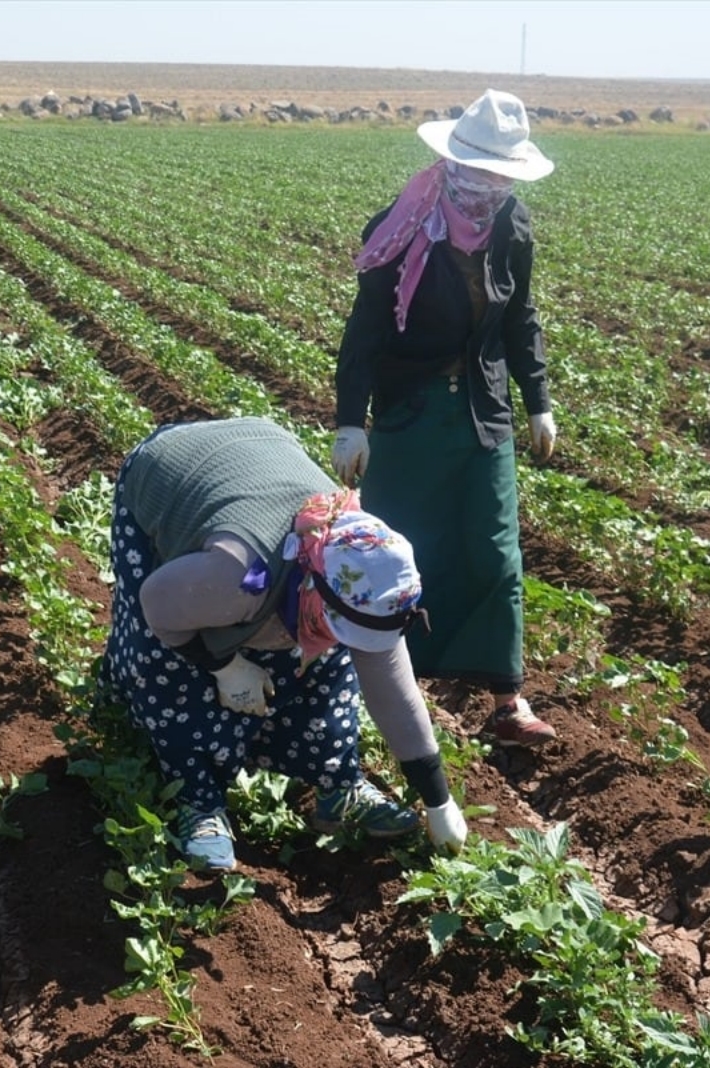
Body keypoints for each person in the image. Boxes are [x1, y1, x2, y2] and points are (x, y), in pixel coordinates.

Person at [102, 417, 469, 871]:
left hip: (264, 458)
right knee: (173, 662)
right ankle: (198, 801)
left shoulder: (365, 574)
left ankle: (338, 786)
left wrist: (438, 801)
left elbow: (392, 690)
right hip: (171, 469)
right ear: (313, 585)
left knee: (328, 658)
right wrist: (223, 666)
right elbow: (158, 605)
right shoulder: (235, 576)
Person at [331, 88, 559, 750]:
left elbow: (520, 318)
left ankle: (507, 700)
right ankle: (396, 691)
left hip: (482, 415)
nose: (486, 186)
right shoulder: (399, 226)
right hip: (410, 413)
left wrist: (537, 400)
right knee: (404, 554)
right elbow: (366, 329)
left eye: (500, 176)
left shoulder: (510, 228)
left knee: (495, 554)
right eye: (478, 171)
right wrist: (352, 420)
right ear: (453, 162)